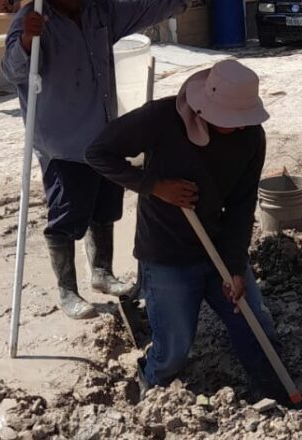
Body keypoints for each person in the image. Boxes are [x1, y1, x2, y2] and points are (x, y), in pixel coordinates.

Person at [85, 59, 288, 401]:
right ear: (205, 107)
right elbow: (98, 153)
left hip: (218, 246)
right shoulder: (161, 119)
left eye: (241, 120)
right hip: (166, 251)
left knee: (255, 325)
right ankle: (153, 388)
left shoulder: (252, 137)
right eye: (229, 120)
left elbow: (241, 206)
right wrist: (154, 186)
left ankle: (273, 395)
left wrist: (236, 267)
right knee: (174, 347)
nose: (236, 127)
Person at [0, 0, 189, 320]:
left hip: (103, 133)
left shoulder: (99, 11)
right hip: (63, 141)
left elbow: (144, 10)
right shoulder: (33, 17)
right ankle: (67, 290)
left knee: (105, 206)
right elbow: (11, 70)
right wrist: (26, 42)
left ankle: (102, 272)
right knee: (67, 215)